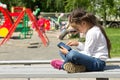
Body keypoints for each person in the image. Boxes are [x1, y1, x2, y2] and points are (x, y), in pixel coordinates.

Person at [51, 8, 111, 73]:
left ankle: (63, 65)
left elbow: (88, 53)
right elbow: (89, 49)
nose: (77, 30)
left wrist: (69, 53)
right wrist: (78, 44)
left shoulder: (92, 32)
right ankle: (78, 67)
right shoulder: (91, 31)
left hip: (97, 64)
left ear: (83, 23)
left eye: (77, 28)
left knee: (72, 54)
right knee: (62, 51)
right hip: (92, 60)